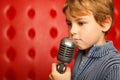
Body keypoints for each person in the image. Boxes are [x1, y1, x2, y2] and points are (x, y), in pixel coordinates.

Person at [49, 0, 120, 80]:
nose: (72, 31)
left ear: (105, 23)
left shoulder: (115, 67)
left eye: (81, 23)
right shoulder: (81, 53)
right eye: (69, 24)